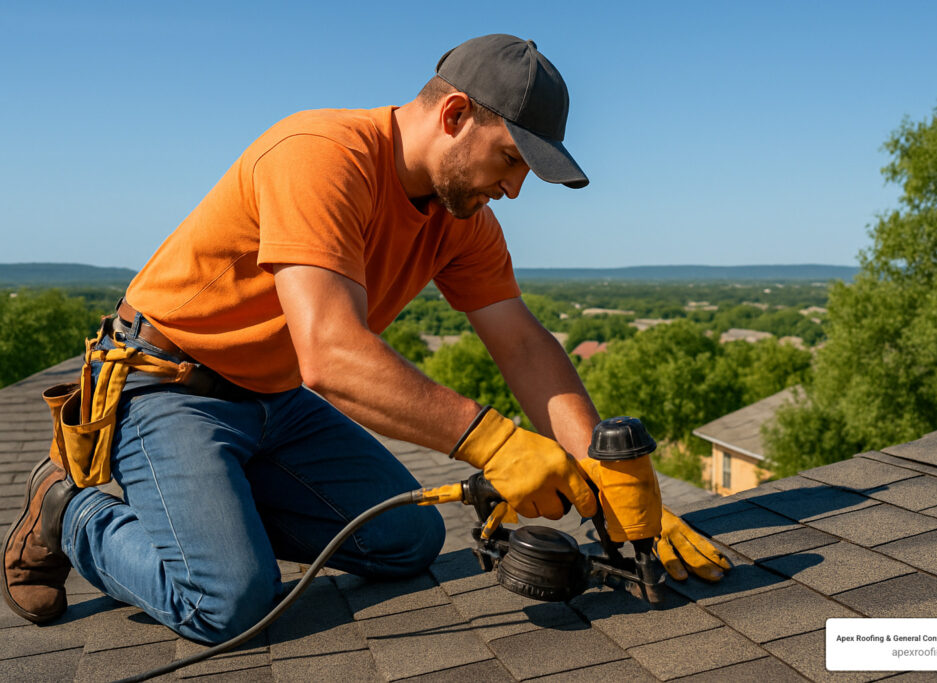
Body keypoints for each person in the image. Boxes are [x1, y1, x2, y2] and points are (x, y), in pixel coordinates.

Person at [3, 34, 729, 644]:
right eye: (511, 159)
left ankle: (217, 499)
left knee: (408, 540)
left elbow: (525, 345)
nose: (513, 189)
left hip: (272, 399)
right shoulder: (321, 156)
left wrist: (607, 484)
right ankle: (73, 510)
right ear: (454, 114)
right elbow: (329, 352)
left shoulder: (462, 220)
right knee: (225, 601)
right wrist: (500, 445)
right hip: (170, 384)